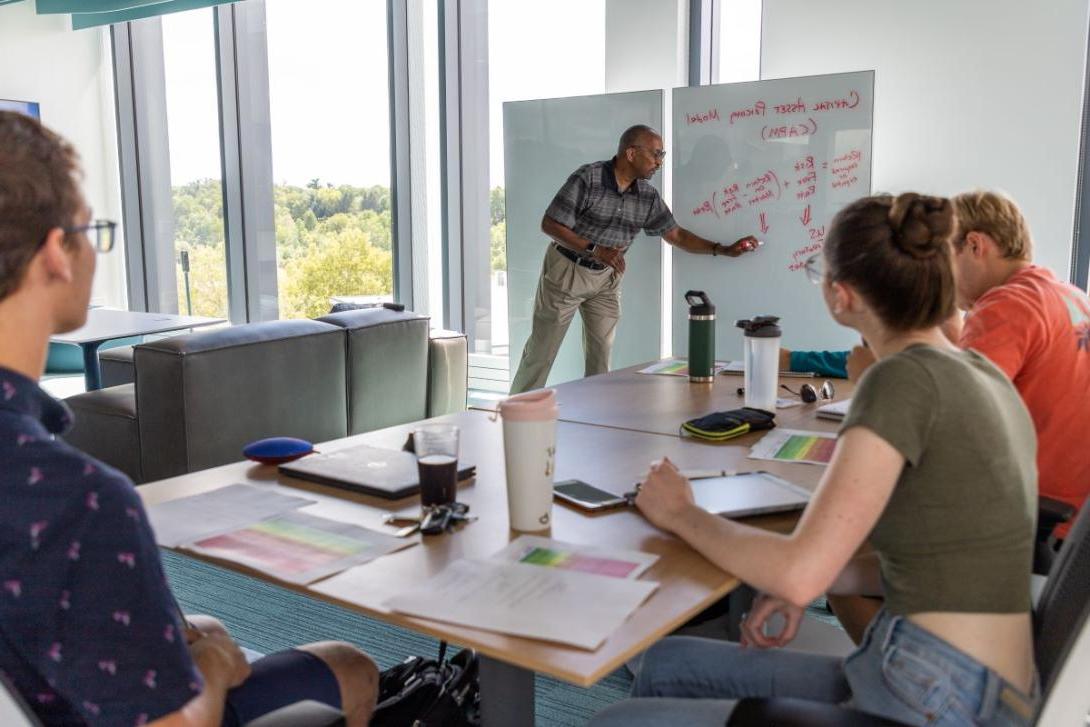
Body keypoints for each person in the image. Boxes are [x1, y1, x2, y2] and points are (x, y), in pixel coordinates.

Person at [591, 193, 1039, 727]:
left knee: (615, 721)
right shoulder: (978, 373)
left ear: (840, 295)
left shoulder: (899, 381)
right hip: (974, 684)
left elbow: (799, 573)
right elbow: (931, 562)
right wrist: (817, 578)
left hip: (936, 695)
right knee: (666, 662)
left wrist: (679, 512)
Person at [0, 111, 378, 726]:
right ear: (54, 253)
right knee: (349, 664)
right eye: (89, 229)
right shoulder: (78, 503)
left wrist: (184, 637)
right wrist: (212, 666)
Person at [509, 124, 759, 394]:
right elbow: (551, 224)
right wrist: (595, 249)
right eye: (655, 154)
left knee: (601, 354)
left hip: (607, 278)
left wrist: (722, 249)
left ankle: (594, 417)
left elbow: (676, 235)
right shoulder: (589, 178)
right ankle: (514, 412)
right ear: (631, 153)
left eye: (661, 155)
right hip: (568, 269)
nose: (659, 162)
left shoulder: (647, 196)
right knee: (542, 351)